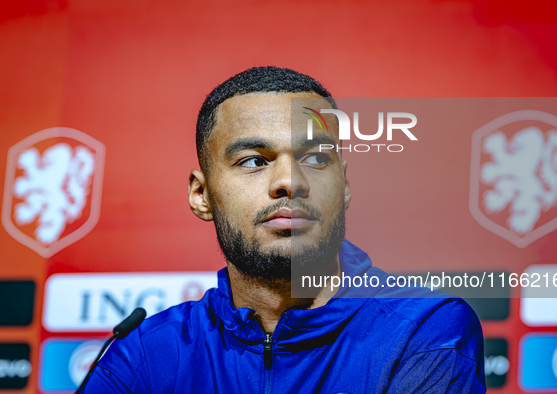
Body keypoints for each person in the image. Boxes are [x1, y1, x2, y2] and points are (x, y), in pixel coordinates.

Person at [83, 66, 486, 393]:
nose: (290, 181)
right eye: (254, 161)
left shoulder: (422, 329)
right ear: (201, 194)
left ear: (343, 186)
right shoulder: (145, 352)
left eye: (314, 158)